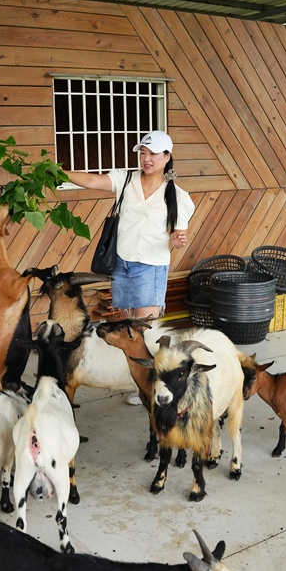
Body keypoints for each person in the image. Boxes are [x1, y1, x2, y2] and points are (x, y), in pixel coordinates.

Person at [65, 130, 195, 404]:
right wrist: (58, 172)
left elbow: (178, 235)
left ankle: (154, 385)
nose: (146, 159)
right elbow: (91, 180)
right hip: (122, 263)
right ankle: (137, 380)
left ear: (167, 157)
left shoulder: (179, 197)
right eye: (143, 153)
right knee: (127, 327)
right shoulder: (125, 179)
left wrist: (178, 238)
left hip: (151, 267)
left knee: (145, 329)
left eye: (153, 154)